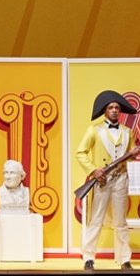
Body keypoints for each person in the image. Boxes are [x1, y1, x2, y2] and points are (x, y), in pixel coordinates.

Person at [76, 89, 138, 272]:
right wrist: (93, 170)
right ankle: (88, 257)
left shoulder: (128, 132)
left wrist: (132, 154)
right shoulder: (94, 130)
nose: (114, 110)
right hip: (102, 180)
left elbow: (130, 155)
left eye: (117, 108)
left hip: (121, 179)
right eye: (111, 107)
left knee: (121, 222)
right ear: (105, 110)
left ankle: (124, 259)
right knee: (96, 220)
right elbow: (80, 153)